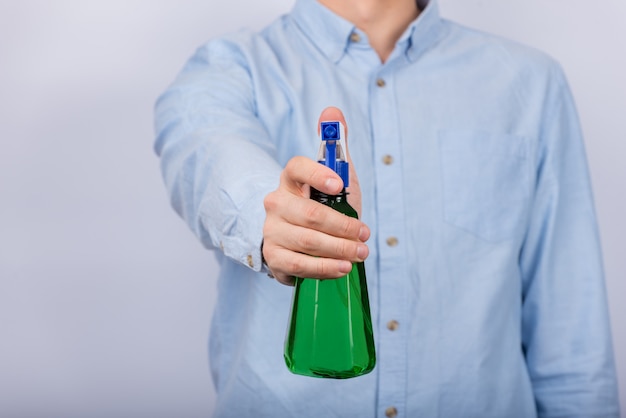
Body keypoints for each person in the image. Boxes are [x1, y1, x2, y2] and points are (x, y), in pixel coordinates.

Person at [154, 0, 620, 416]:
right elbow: (206, 153)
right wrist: (273, 217)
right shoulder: (229, 68)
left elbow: (571, 340)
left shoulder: (530, 84)